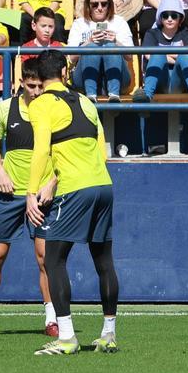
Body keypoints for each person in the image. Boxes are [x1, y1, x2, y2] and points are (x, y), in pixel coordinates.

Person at [27, 49, 118, 356]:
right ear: (66, 73)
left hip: (75, 188)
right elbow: (102, 150)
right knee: (103, 261)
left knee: (53, 260)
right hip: (103, 184)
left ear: (40, 78)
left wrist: (31, 192)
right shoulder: (86, 101)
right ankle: (108, 334)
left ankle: (67, 337)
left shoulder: (40, 104)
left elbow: (40, 150)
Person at [0, 57, 56, 338]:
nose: (37, 91)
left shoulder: (54, 110)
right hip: (10, 193)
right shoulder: (5, 109)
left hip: (42, 196)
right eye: (31, 86)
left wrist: (52, 182)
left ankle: (52, 320)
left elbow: (65, 151)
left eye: (41, 86)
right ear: (21, 83)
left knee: (45, 259)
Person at [133, 0, 188, 105]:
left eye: (174, 16)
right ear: (160, 18)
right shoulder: (152, 33)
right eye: (165, 15)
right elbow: (149, 55)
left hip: (180, 80)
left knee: (184, 55)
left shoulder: (187, 33)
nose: (169, 19)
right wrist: (177, 57)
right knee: (158, 55)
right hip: (160, 80)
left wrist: (167, 55)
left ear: (180, 18)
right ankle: (146, 96)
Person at [67, 0, 133, 101]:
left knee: (110, 45)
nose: (100, 8)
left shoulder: (119, 22)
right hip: (84, 79)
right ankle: (90, 95)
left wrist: (115, 42)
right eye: (94, 4)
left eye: (104, 4)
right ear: (88, 5)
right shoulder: (79, 24)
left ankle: (114, 95)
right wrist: (88, 42)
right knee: (92, 47)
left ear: (109, 5)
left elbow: (129, 57)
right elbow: (70, 59)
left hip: (118, 77)